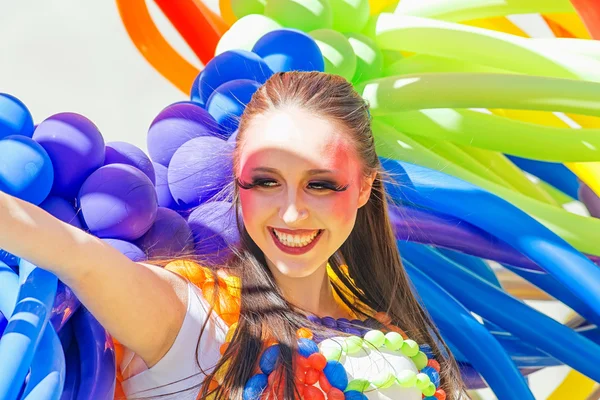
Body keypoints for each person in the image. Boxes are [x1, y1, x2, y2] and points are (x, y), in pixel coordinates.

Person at [0, 71, 469, 399]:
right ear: (238, 183)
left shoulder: (391, 328)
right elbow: (76, 254)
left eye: (320, 184)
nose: (291, 212)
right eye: (265, 182)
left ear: (364, 187)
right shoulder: (189, 316)